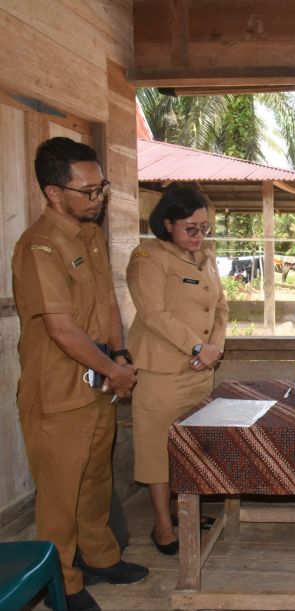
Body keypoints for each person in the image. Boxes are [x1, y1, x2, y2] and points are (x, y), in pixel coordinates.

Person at [11, 137, 148, 611]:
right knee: (59, 497)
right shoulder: (39, 247)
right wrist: (115, 369)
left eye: (102, 188)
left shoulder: (88, 235)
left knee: (94, 482)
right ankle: (62, 584)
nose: (99, 198)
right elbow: (61, 328)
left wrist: (121, 357)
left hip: (99, 386)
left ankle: (100, 558)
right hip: (58, 394)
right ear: (54, 193)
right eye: (88, 191)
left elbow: (107, 303)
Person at [126, 186, 227, 555]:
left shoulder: (207, 256)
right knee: (157, 449)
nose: (199, 236)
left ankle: (187, 509)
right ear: (167, 224)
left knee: (192, 446)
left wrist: (213, 349)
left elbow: (221, 309)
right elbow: (153, 314)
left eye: (204, 228)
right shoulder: (148, 257)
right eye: (191, 228)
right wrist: (197, 347)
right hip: (161, 371)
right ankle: (163, 524)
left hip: (201, 371)